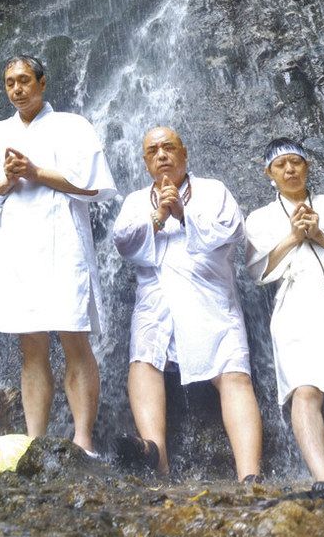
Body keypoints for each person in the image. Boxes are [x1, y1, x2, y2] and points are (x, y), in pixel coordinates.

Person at [0, 56, 116, 452]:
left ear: (42, 83)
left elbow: (93, 185)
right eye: (10, 82)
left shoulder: (72, 126)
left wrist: (35, 171)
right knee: (30, 344)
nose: (17, 88)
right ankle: (35, 442)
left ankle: (83, 441)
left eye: (24, 80)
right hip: (18, 247)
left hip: (64, 242)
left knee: (73, 337)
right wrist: (5, 180)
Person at [112, 126, 262, 481]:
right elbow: (123, 243)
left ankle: (250, 476)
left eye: (168, 147)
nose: (161, 155)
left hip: (210, 295)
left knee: (233, 374)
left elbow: (232, 231)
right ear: (146, 162)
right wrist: (158, 217)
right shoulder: (136, 200)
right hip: (156, 298)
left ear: (184, 152)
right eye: (153, 151)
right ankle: (155, 455)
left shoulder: (213, 190)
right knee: (144, 360)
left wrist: (183, 214)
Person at [245, 137, 324, 488]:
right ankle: (323, 479)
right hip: (296, 308)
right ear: (269, 173)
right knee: (305, 389)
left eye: (296, 162)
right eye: (281, 165)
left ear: (307, 166)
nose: (290, 169)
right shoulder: (259, 219)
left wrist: (320, 235)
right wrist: (293, 236)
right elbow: (257, 273)